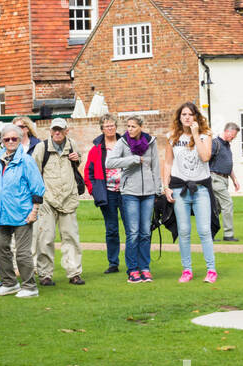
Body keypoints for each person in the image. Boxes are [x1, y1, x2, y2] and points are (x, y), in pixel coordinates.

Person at [159, 102, 217, 283]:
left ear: (196, 116)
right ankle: (187, 270)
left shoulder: (205, 135)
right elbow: (167, 163)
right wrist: (165, 186)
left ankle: (211, 270)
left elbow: (205, 157)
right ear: (179, 117)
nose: (187, 117)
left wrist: (194, 134)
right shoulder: (172, 137)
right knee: (183, 231)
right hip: (179, 189)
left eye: (190, 114)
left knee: (204, 231)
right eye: (183, 114)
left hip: (200, 189)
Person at [0, 123, 44, 297]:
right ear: (2, 141)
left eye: (14, 138)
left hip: (22, 213)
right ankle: (9, 283)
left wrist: (34, 210)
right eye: (7, 139)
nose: (11, 141)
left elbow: (37, 186)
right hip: (2, 212)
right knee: (0, 247)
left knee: (22, 252)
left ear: (20, 140)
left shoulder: (26, 160)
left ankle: (29, 287)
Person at [30, 118, 85, 286]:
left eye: (60, 130)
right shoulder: (42, 148)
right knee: (45, 239)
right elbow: (34, 172)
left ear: (66, 131)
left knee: (71, 238)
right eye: (54, 129)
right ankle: (45, 274)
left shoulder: (72, 145)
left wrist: (77, 159)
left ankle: (74, 273)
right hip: (47, 200)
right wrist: (37, 198)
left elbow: (77, 163)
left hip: (68, 198)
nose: (57, 132)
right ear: (50, 131)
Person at [109, 116, 161, 284]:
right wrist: (131, 160)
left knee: (146, 232)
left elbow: (155, 167)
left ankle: (145, 268)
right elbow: (109, 162)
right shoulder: (122, 142)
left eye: (133, 126)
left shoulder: (151, 142)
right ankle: (132, 270)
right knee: (133, 233)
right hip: (129, 193)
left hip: (148, 193)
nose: (129, 129)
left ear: (141, 127)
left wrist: (157, 189)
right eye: (128, 126)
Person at [83, 114, 126, 274]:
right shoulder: (96, 149)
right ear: (102, 129)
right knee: (112, 229)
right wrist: (94, 190)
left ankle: (132, 261)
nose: (110, 128)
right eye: (107, 126)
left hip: (126, 191)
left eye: (112, 125)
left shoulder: (125, 144)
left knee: (131, 228)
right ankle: (113, 263)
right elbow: (89, 171)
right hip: (107, 193)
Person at [209, 121, 241, 242]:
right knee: (228, 203)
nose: (234, 138)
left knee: (216, 208)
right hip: (215, 178)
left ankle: (209, 234)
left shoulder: (227, 145)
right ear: (228, 131)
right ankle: (228, 234)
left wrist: (234, 180)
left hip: (225, 179)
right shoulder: (215, 143)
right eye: (233, 135)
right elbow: (205, 160)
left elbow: (228, 164)